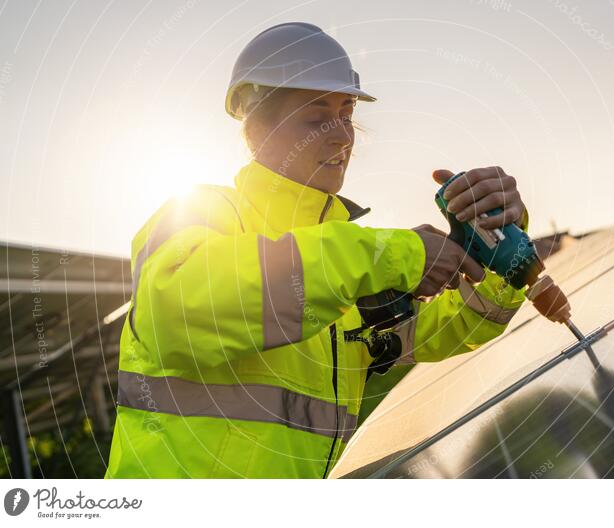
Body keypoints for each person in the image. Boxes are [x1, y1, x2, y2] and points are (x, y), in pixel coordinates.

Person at [105, 22, 530, 478]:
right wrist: (393, 256)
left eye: (347, 114)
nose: (344, 137)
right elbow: (183, 309)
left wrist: (502, 251)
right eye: (315, 117)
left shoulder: (346, 266)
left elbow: (442, 329)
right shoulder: (200, 211)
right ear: (254, 128)